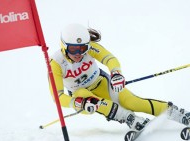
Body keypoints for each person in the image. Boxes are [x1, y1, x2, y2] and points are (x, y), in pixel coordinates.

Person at [49, 23, 190, 131]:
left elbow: (109, 58)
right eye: (73, 48)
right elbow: (58, 96)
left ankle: (176, 113)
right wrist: (77, 103)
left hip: (101, 82)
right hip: (80, 94)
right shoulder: (56, 63)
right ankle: (129, 118)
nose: (79, 53)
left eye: (83, 48)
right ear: (64, 46)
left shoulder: (90, 48)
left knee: (132, 102)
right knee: (90, 100)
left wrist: (116, 73)